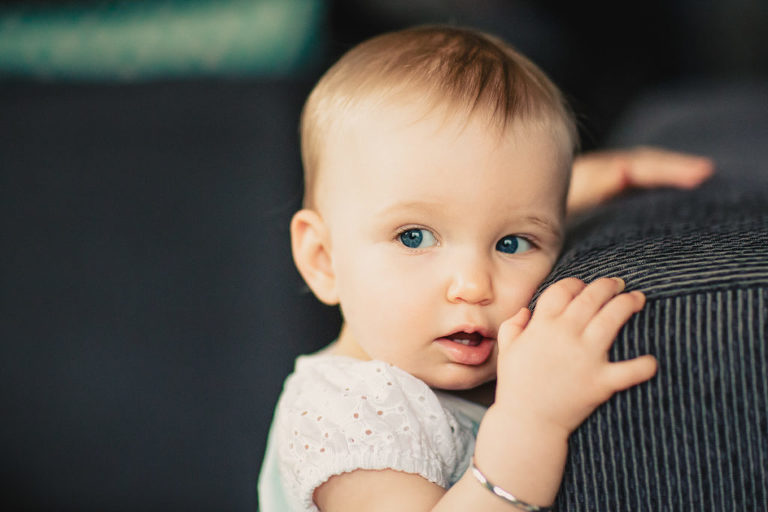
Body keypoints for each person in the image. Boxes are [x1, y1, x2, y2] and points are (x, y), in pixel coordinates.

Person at [258, 25, 713, 511]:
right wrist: (533, 419)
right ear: (323, 260)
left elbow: (484, 198)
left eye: (511, 242)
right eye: (414, 237)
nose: (474, 285)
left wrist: (591, 183)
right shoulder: (345, 414)